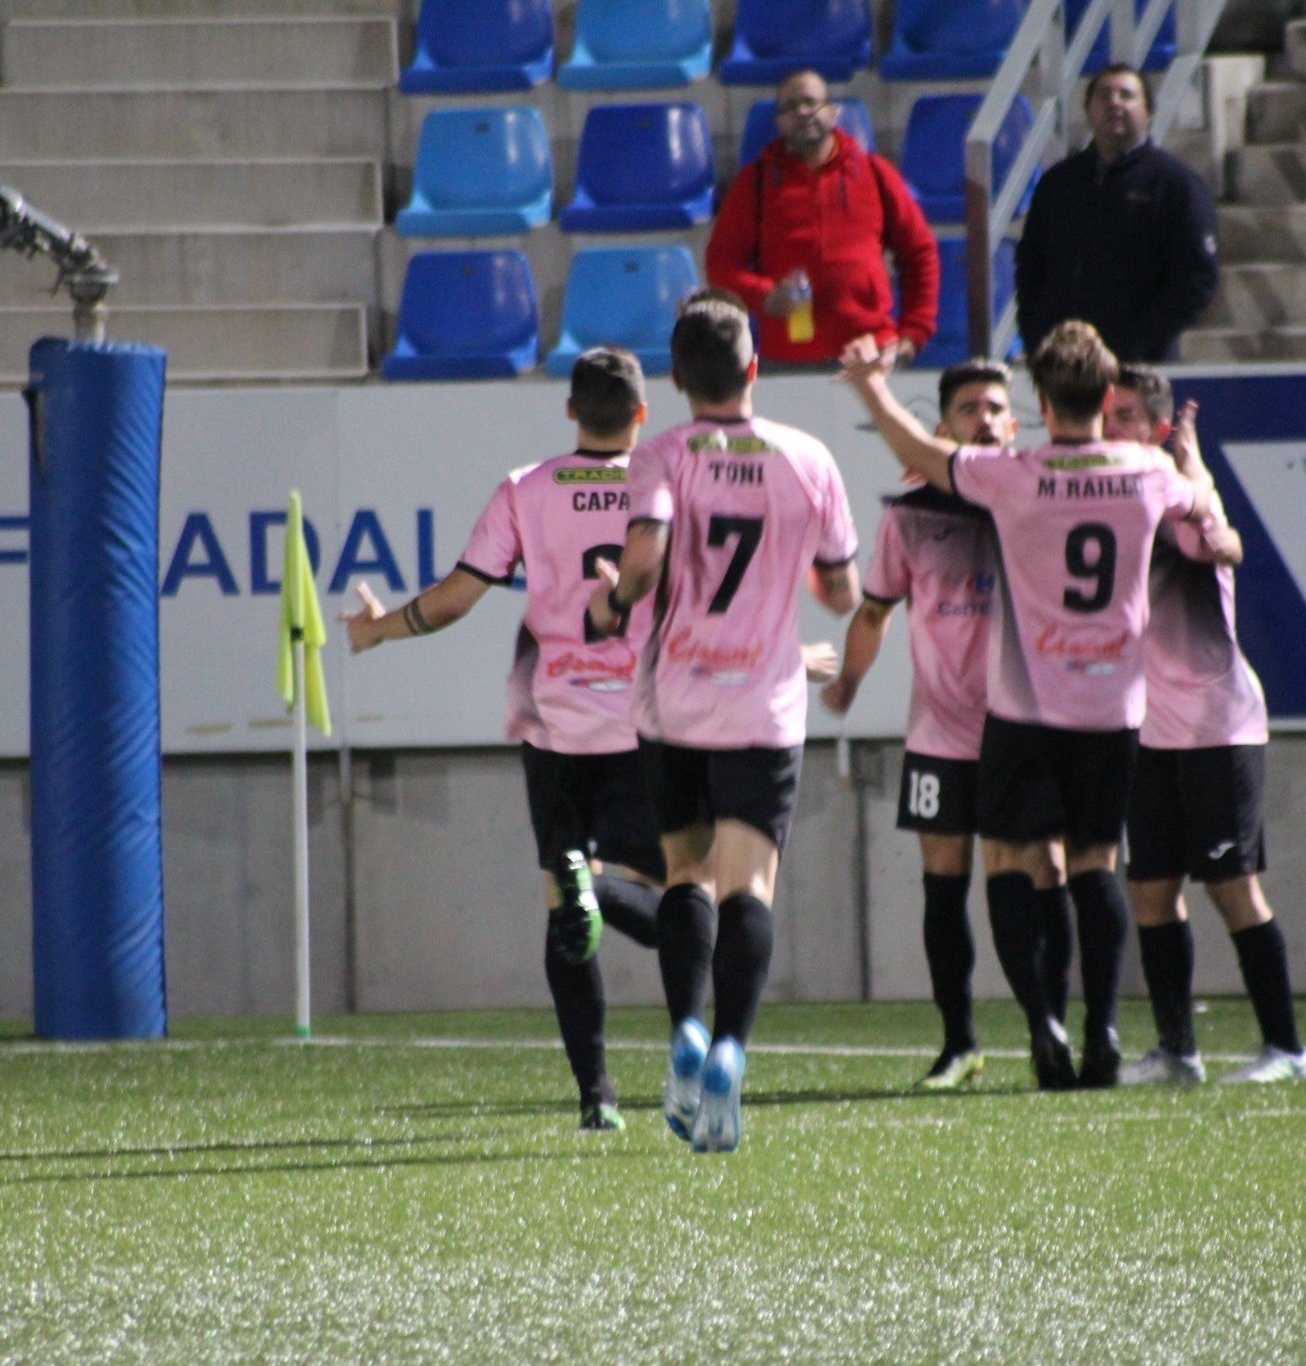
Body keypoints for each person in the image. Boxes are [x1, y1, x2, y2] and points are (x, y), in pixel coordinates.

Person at [838, 320, 1225, 1090]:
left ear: (1041, 403)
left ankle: (1043, 1023)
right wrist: (1195, 465)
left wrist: (871, 387)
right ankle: (1104, 1029)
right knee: (1095, 865)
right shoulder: (1145, 471)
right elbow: (1200, 513)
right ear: (1107, 396)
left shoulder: (1013, 474)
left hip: (1024, 709)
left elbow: (920, 455)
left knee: (1012, 861)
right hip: (1113, 711)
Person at [338, 347, 667, 1133]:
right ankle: (686, 1054)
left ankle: (598, 1096)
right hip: (646, 718)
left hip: (551, 722)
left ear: (570, 410)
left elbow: (457, 598)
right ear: (642, 414)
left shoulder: (527, 487)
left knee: (562, 904)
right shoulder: (662, 487)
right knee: (683, 902)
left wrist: (382, 630)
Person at [586, 291, 859, 1153]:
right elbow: (844, 590)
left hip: (674, 701)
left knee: (683, 875)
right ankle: (733, 1050)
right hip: (764, 705)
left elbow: (644, 559)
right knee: (750, 885)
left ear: (675, 379)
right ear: (754, 367)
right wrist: (798, 580)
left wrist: (612, 599)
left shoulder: (664, 455)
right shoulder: (809, 458)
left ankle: (685, 1035)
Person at [819, 360, 1073, 1091]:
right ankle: (959, 1042)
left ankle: (1046, 1026)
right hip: (939, 731)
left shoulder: (1036, 503)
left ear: (1017, 425)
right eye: (968, 409)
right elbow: (873, 612)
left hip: (1024, 728)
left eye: (996, 408)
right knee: (943, 883)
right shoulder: (910, 516)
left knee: (1039, 870)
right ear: (940, 430)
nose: (985, 419)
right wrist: (848, 683)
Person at [1102, 365, 1306, 1085]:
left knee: (1232, 889)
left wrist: (1213, 517)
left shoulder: (1169, 498)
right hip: (1150, 731)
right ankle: (1177, 1052)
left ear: (1157, 430)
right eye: (1105, 414)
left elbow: (1223, 544)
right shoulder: (1114, 499)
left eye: (1125, 415)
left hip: (1216, 726)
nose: (1110, 428)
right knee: (1151, 891)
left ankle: (1288, 1050)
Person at [705, 68, 939, 366]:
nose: (802, 112)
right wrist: (764, 296)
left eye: (810, 102)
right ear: (778, 122)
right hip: (787, 361)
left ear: (832, 111)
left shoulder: (875, 172)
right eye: (790, 107)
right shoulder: (755, 182)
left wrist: (912, 335)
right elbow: (721, 265)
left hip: (871, 356)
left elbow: (920, 252)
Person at [1015, 63, 1219, 363]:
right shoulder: (1058, 184)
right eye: (1104, 95)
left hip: (1141, 366)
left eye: (1127, 95)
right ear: (1087, 109)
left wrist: (1138, 341)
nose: (1115, 103)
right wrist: (1038, 339)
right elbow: (1031, 267)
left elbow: (1197, 279)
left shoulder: (1175, 183)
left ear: (1149, 111)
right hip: (1064, 368)